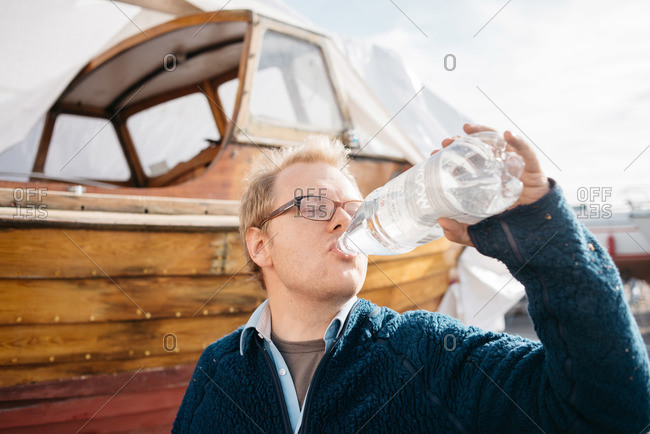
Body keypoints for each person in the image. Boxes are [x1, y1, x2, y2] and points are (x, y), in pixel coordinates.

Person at [173, 124, 650, 433]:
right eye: (314, 205)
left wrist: (544, 237)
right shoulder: (218, 370)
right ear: (260, 246)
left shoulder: (426, 352)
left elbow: (610, 411)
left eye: (352, 208)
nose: (344, 221)